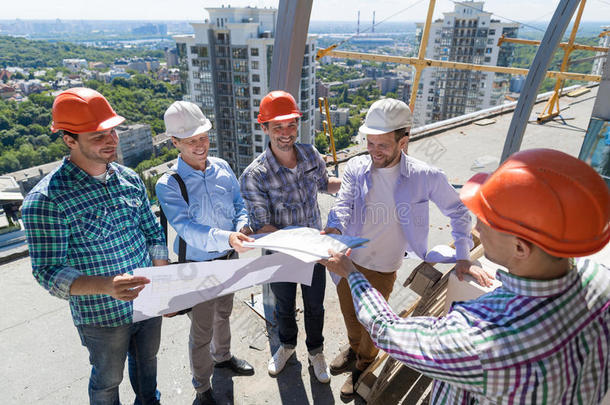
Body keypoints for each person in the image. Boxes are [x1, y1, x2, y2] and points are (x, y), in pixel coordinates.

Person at [322, 148, 610, 404]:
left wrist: (351, 272)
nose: (476, 227)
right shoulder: (601, 284)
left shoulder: (481, 336)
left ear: (520, 247)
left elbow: (387, 330)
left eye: (487, 219)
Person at [324, 98, 492, 398]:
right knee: (350, 314)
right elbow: (344, 203)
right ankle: (354, 350)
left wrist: (464, 256)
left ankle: (364, 362)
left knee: (371, 321)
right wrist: (335, 229)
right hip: (348, 258)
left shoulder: (425, 176)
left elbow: (458, 213)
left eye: (383, 145)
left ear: (403, 141)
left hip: (383, 265)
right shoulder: (357, 167)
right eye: (370, 142)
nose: (374, 151)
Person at [21, 87, 169, 405]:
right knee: (107, 381)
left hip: (147, 303)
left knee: (148, 369)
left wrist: (162, 270)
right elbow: (48, 272)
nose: (111, 140)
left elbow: (152, 232)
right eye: (98, 136)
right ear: (69, 140)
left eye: (112, 131)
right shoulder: (47, 200)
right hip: (101, 316)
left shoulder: (129, 178)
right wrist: (107, 286)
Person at [155, 101, 255, 405]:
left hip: (229, 259)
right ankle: (202, 387)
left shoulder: (222, 167)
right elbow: (187, 229)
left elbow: (240, 203)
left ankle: (222, 357)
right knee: (201, 330)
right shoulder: (169, 183)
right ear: (175, 142)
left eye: (203, 138)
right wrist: (229, 237)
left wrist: (242, 225)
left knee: (223, 313)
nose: (200, 146)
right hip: (198, 268)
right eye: (191, 141)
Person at [239, 90, 341, 383]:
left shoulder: (310, 154)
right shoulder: (255, 175)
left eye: (291, 125)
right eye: (277, 127)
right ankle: (286, 346)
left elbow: (325, 184)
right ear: (264, 128)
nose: (286, 133)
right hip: (282, 254)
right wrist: (299, 242)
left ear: (298, 124)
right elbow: (262, 226)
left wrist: (354, 182)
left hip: (314, 252)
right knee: (284, 307)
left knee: (315, 306)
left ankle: (316, 351)